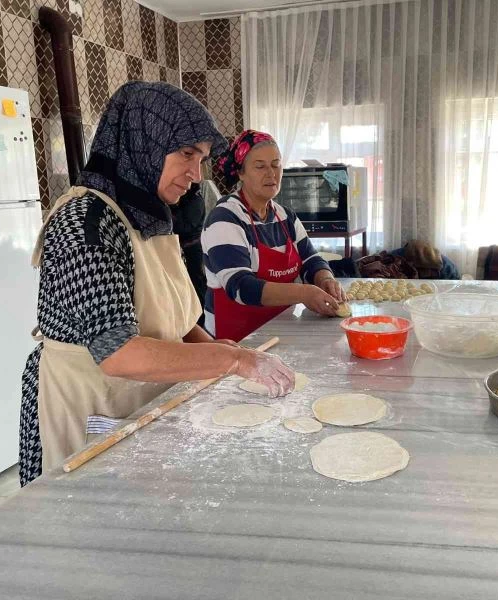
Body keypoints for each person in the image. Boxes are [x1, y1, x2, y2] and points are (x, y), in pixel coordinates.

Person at [20, 84, 294, 487]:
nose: (196, 175)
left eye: (201, 159)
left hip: (138, 399)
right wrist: (234, 362)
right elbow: (118, 354)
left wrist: (225, 350)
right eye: (186, 154)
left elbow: (174, 321)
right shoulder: (86, 224)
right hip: (85, 405)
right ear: (142, 140)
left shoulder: (149, 215)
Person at [201, 130, 346, 341]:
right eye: (260, 166)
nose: (271, 173)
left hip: (279, 332)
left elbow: (311, 260)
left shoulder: (285, 216)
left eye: (276, 164)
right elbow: (241, 287)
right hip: (235, 340)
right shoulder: (224, 219)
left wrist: (325, 278)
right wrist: (304, 293)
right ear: (241, 173)